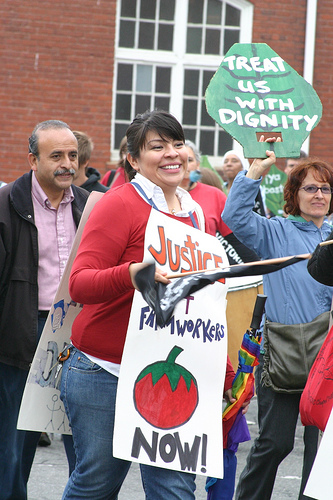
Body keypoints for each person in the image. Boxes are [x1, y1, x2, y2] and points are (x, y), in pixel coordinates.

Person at [59, 110, 236, 499]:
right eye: (157, 146)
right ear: (134, 160)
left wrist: (220, 368)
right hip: (105, 372)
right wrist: (132, 272)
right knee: (97, 484)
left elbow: (204, 299)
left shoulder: (197, 215)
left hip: (171, 373)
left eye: (177, 143)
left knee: (174, 489)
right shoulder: (119, 203)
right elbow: (79, 284)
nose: (172, 153)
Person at [222, 142, 333, 500]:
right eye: (311, 188)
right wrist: (254, 172)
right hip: (284, 355)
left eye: (326, 188)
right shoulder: (276, 232)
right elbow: (235, 216)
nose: (319, 195)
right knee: (275, 443)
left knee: (320, 453)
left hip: (326, 359)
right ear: (293, 194)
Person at [0, 120, 89, 499]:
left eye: (72, 155)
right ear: (33, 160)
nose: (67, 163)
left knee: (82, 440)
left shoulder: (89, 204)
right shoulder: (7, 204)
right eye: (56, 156)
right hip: (22, 331)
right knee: (13, 444)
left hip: (79, 332)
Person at [180, 140, 258, 266]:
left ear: (198, 165)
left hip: (207, 273)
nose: (185, 165)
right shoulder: (158, 194)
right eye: (179, 160)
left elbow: (236, 241)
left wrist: (262, 270)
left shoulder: (215, 195)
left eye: (189, 160)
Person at [221, 150, 266, 216]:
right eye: (225, 161)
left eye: (234, 161)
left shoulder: (253, 189)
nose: (229, 164)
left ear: (243, 166)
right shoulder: (219, 188)